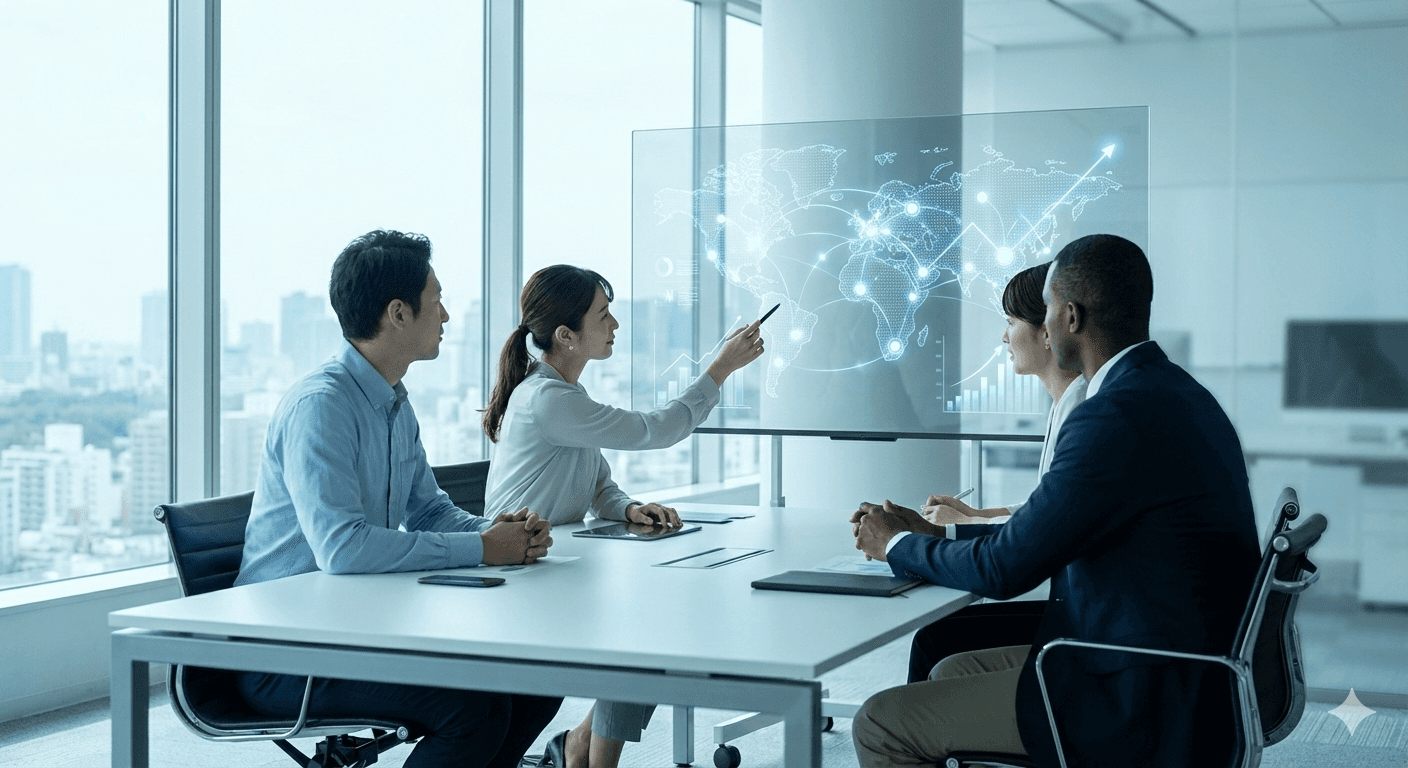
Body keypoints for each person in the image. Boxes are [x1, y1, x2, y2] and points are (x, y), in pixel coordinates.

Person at [850, 234, 1261, 767]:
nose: (1040, 324)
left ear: (1068, 317)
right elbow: (1046, 529)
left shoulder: (1113, 416)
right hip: (1177, 663)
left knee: (880, 722)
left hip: (1137, 689)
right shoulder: (1176, 392)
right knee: (949, 667)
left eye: (1044, 309)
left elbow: (1004, 570)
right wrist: (933, 536)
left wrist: (896, 545)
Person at [234, 230, 560, 768]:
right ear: (398, 314)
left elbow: (428, 510)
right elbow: (343, 550)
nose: (447, 316)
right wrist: (484, 551)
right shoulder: (322, 407)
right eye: (436, 302)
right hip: (286, 656)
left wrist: (498, 533)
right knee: (472, 711)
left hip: (352, 631)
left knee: (536, 681)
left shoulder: (392, 402)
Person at [481, 264, 765, 768]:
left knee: (653, 627)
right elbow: (656, 430)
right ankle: (586, 755)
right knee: (646, 630)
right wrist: (718, 370)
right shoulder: (548, 400)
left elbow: (597, 486)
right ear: (566, 336)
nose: (615, 326)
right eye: (604, 316)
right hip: (523, 578)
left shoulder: (566, 396)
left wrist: (628, 507)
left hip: (558, 563)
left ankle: (581, 749)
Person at [903, 261, 1087, 685]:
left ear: (1048, 330)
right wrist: (979, 515)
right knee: (939, 637)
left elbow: (1047, 531)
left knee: (938, 640)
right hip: (1075, 606)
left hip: (1078, 620)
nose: (1004, 335)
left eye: (1010, 321)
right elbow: (1050, 505)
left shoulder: (1083, 410)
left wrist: (961, 526)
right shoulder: (1066, 402)